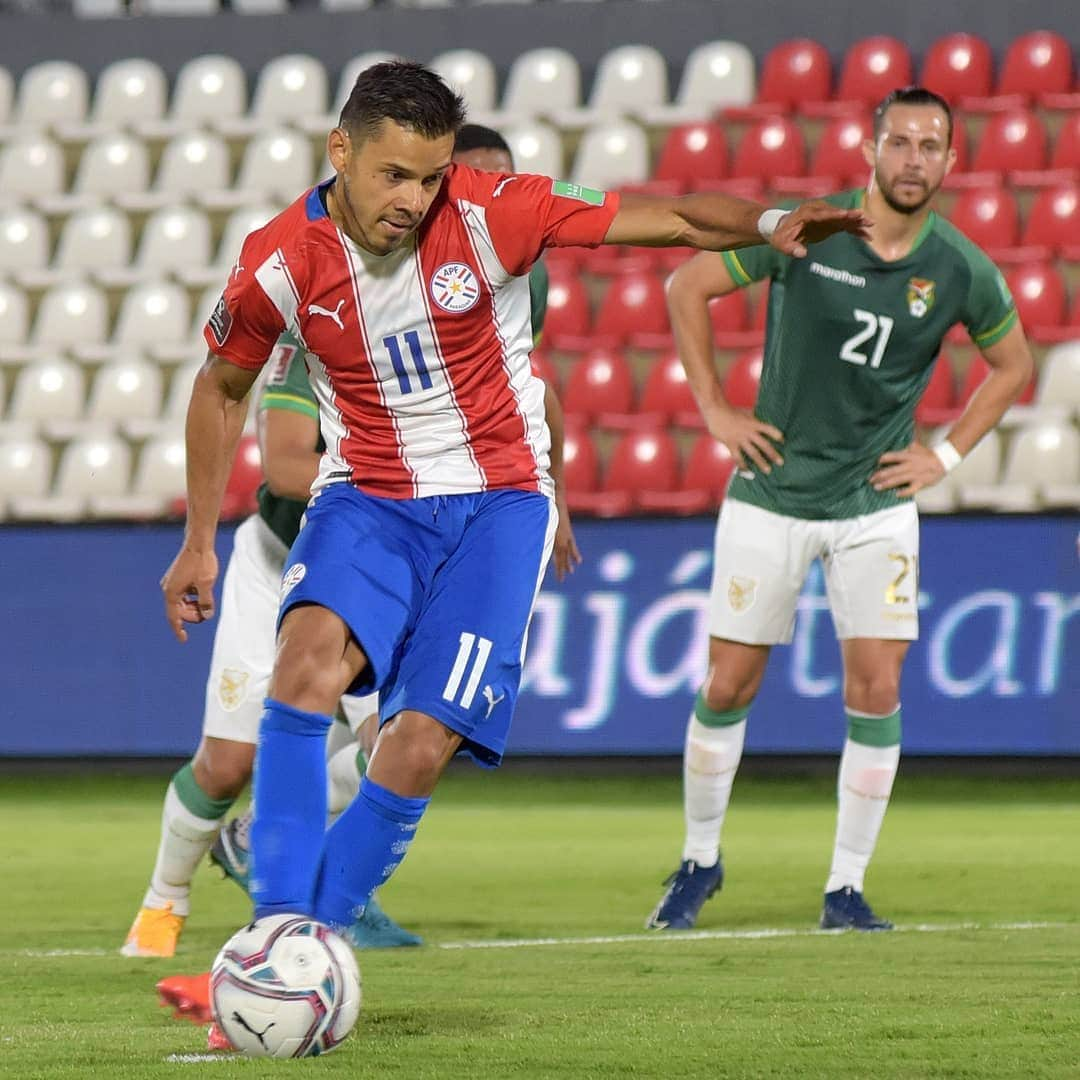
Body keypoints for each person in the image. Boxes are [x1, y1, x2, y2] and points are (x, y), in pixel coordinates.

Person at [159, 58, 865, 1024]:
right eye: (393, 175)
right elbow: (221, 385)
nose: (413, 199)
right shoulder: (280, 259)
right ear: (340, 151)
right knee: (304, 669)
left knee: (415, 746)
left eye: (430, 177)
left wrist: (771, 222)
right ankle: (273, 949)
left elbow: (670, 219)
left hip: (497, 506)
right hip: (367, 496)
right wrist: (199, 539)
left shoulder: (495, 212)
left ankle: (302, 949)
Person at [646, 86, 1034, 934]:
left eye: (931, 145)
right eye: (900, 141)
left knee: (877, 687)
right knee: (727, 682)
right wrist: (713, 408)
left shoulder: (960, 267)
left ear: (951, 162)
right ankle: (699, 862)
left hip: (874, 505)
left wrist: (947, 454)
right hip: (771, 492)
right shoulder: (807, 232)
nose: (914, 159)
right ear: (869, 149)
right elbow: (687, 285)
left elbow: (1012, 364)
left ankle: (845, 888)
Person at [199, 120, 583, 909]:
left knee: (411, 740)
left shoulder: (509, 267)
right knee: (245, 742)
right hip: (327, 533)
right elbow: (273, 455)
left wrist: (557, 500)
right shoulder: (312, 278)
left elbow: (532, 391)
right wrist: (198, 539)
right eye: (418, 178)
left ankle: (313, 924)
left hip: (472, 522)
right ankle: (234, 908)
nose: (438, 200)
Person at [123, 337, 421, 963]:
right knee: (228, 763)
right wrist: (423, 473)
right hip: (280, 560)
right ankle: (163, 901)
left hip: (373, 568)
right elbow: (286, 468)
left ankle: (286, 861)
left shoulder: (452, 313)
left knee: (403, 748)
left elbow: (532, 388)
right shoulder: (309, 338)